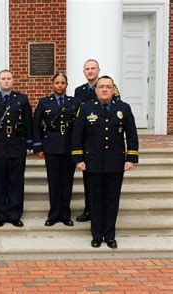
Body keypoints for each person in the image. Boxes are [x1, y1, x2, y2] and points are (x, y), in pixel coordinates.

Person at [72, 75, 139, 249]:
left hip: (115, 162)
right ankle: (96, 235)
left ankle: (109, 235)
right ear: (96, 89)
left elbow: (131, 134)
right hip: (92, 162)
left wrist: (131, 158)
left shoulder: (123, 108)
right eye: (101, 86)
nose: (104, 89)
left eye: (108, 86)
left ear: (113, 89)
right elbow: (77, 135)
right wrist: (79, 159)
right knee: (95, 201)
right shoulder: (86, 108)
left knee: (112, 201)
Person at [0, 70, 32, 228]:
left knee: (16, 182)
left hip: (17, 145)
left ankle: (15, 215)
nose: (6, 81)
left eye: (8, 78)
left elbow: (28, 123)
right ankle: (0, 215)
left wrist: (30, 144)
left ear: (13, 80)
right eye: (3, 78)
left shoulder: (22, 99)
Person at [33, 73, 81, 227]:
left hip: (69, 146)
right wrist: (38, 146)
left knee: (67, 182)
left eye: (63, 83)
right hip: (51, 146)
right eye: (57, 82)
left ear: (67, 85)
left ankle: (65, 214)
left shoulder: (75, 102)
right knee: (53, 181)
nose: (60, 85)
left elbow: (80, 128)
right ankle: (54, 214)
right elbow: (36, 125)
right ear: (52, 84)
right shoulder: (44, 102)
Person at [74, 59, 101, 222]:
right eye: (87, 69)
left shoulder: (107, 86)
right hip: (87, 140)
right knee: (88, 180)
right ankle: (89, 209)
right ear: (84, 72)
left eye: (93, 68)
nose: (90, 71)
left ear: (98, 70)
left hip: (102, 139)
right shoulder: (79, 91)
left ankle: (100, 210)